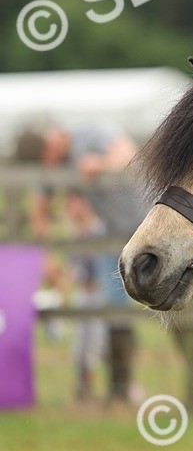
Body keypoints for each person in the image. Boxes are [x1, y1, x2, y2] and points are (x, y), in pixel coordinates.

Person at [17, 123, 147, 402]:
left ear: (50, 147)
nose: (48, 171)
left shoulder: (91, 135)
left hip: (150, 226)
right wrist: (46, 258)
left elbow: (129, 155)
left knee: (178, 309)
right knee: (113, 309)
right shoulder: (55, 163)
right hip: (113, 239)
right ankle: (119, 389)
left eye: (46, 163)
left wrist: (101, 163)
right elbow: (40, 209)